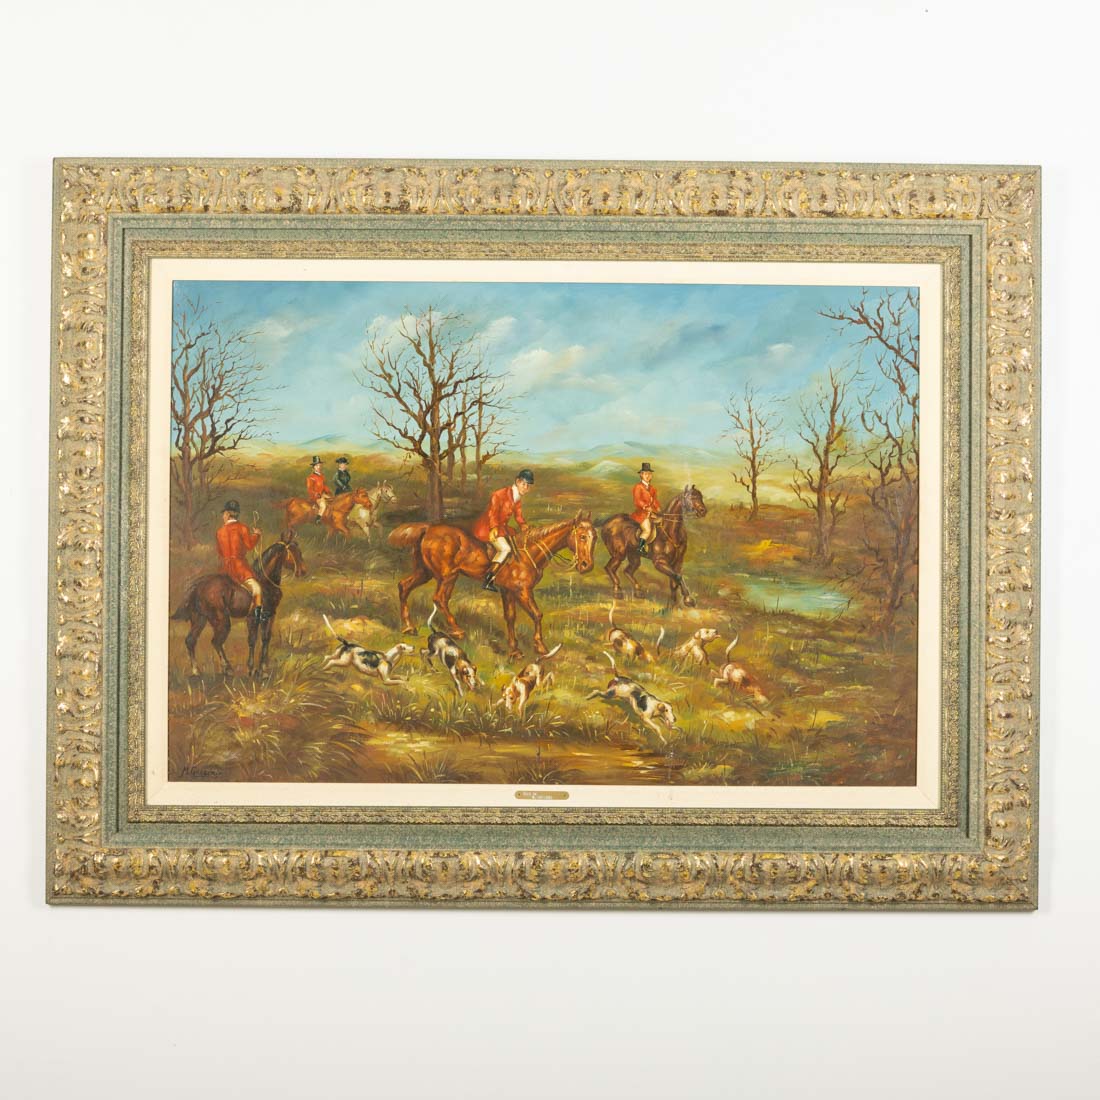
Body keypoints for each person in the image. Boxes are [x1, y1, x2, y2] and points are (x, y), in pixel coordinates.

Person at [471, 468, 534, 592]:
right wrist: (494, 527)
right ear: (517, 481)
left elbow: (518, 516)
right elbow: (492, 513)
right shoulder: (499, 494)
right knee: (506, 549)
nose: (526, 488)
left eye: (528, 486)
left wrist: (523, 525)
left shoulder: (517, 499)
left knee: (516, 538)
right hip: (487, 527)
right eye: (524, 484)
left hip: (501, 527)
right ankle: (488, 579)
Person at [215, 499, 263, 619]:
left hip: (224, 569)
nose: (223, 516)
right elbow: (249, 546)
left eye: (224, 514)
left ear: (227, 514)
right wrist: (256, 535)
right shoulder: (243, 528)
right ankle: (258, 616)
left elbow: (220, 553)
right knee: (257, 589)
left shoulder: (219, 532)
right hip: (240, 569)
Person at [632, 462, 660, 556]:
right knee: (647, 530)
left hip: (652, 513)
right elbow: (637, 501)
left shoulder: (652, 489)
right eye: (645, 474)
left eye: (649, 474)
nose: (648, 476)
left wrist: (658, 509)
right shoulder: (638, 487)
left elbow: (655, 501)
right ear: (641, 475)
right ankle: (640, 548)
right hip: (641, 514)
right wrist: (645, 507)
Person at [306, 456, 330, 522]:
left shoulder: (322, 476)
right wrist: (317, 494)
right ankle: (318, 519)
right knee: (323, 505)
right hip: (315, 496)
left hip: (322, 494)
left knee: (332, 501)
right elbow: (310, 489)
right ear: (313, 467)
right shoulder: (310, 477)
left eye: (319, 465)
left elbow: (324, 486)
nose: (318, 467)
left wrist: (327, 491)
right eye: (316, 466)